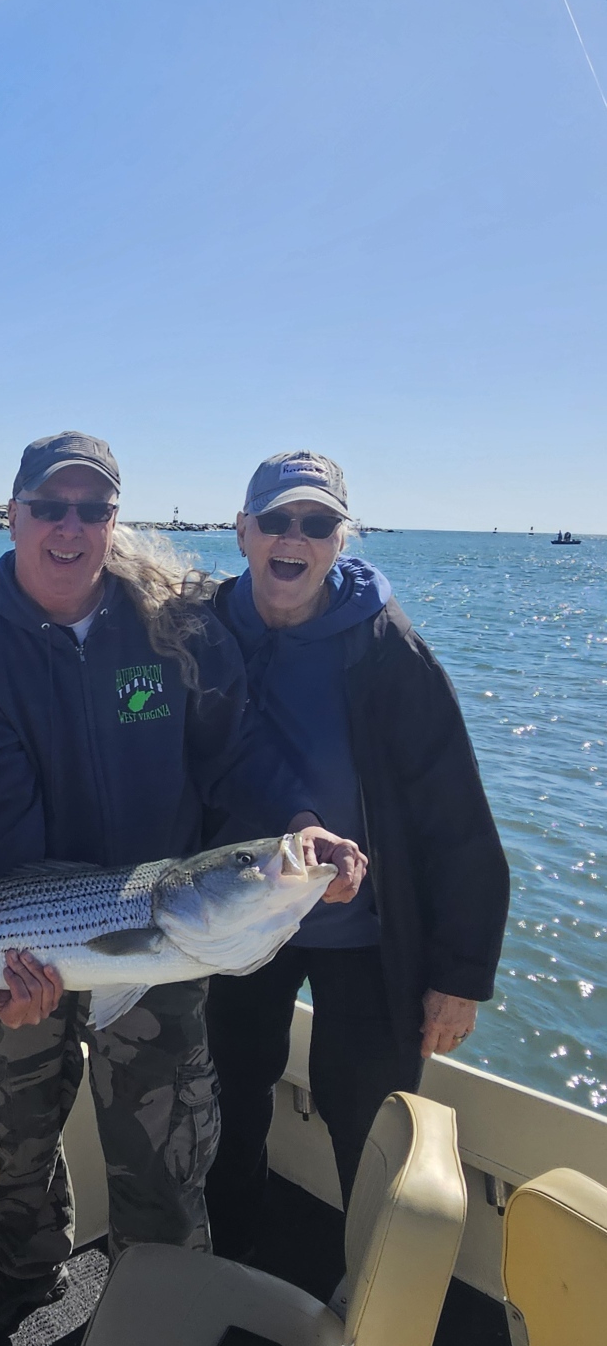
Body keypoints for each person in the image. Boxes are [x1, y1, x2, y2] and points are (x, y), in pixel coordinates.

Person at [0, 432, 362, 1340]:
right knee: (17, 1119)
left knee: (166, 1147)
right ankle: (24, 1262)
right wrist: (14, 953)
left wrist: (299, 825)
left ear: (115, 520)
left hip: (168, 925)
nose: (71, 527)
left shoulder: (173, 624)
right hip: (30, 924)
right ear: (13, 515)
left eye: (93, 509)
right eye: (50, 506)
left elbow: (238, 757)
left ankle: (161, 1313)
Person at [202, 451, 510, 1259]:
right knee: (229, 1091)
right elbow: (96, 607)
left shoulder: (386, 646)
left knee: (367, 1114)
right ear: (242, 532)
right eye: (276, 520)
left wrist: (461, 975)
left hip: (366, 928)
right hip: (243, 917)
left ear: (342, 540)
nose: (294, 537)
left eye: (317, 523)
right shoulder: (200, 627)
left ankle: (368, 1287)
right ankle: (232, 1258)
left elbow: (457, 816)